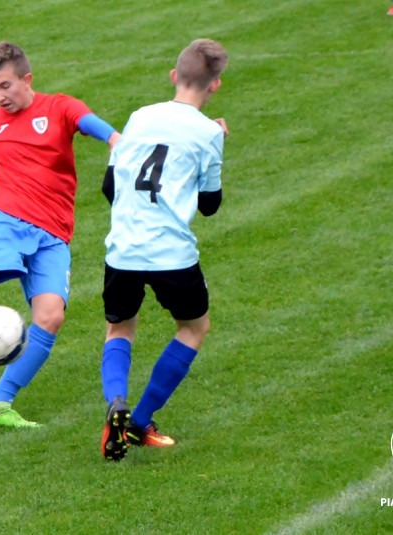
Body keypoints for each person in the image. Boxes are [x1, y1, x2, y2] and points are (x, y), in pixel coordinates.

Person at [0, 42, 121, 429]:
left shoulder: (59, 107)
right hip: (3, 218)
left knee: (51, 317)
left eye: (5, 86)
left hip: (53, 231)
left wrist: (113, 139)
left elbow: (88, 122)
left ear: (27, 79)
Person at [98, 39, 228, 461]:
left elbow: (109, 187)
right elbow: (210, 205)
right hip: (173, 254)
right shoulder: (209, 132)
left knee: (120, 329)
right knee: (193, 328)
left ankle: (116, 403)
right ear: (215, 86)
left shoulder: (140, 116)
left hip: (123, 249)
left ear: (174, 76)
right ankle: (138, 422)